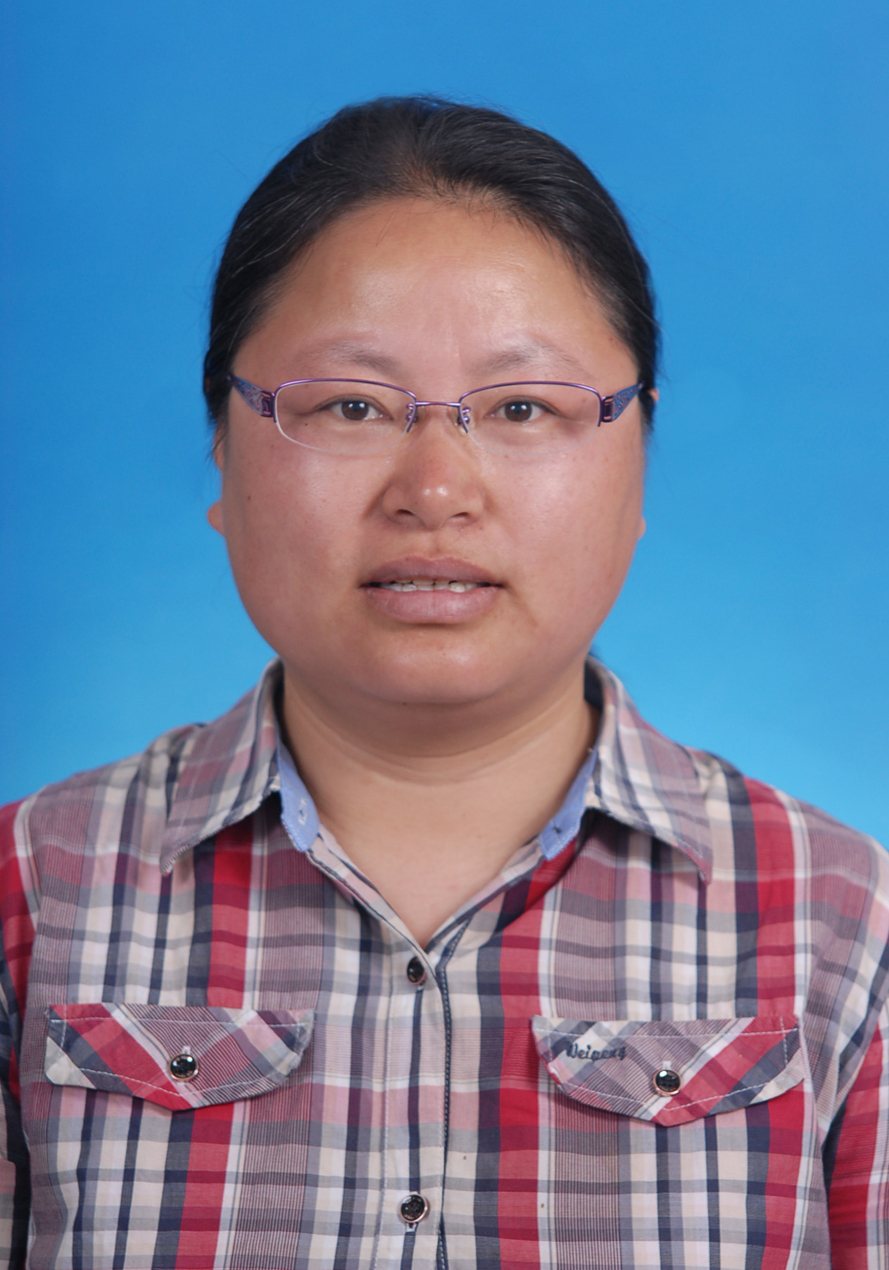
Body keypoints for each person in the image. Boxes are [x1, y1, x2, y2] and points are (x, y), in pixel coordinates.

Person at [0, 96, 886, 1270]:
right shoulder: (32, 893)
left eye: (521, 407)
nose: (434, 489)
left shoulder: (840, 922)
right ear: (220, 444)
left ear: (637, 459)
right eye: (350, 406)